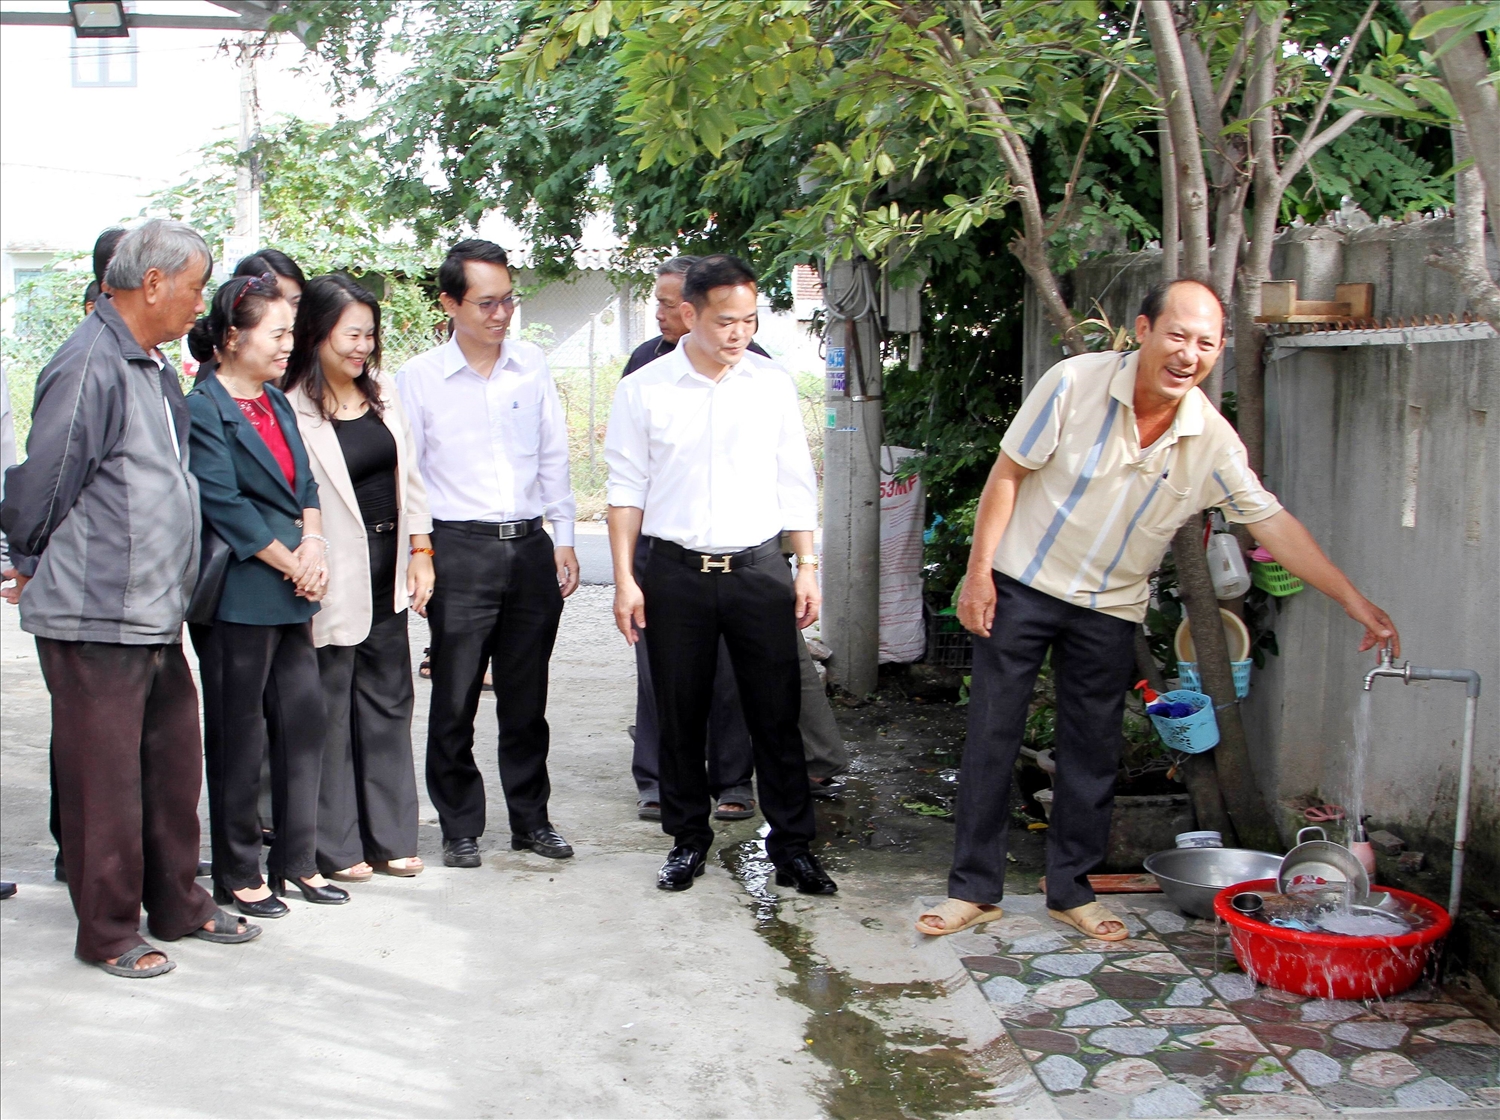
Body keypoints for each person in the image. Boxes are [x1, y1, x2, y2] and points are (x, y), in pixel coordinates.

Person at [917, 279, 1401, 939]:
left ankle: (1071, 892)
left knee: (1092, 752)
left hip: (1110, 610)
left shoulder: (1212, 440)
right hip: (1022, 586)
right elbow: (1007, 475)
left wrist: (1354, 600)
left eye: (1206, 343)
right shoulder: (1073, 384)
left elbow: (1273, 524)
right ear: (1142, 329)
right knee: (992, 740)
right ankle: (974, 890)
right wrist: (977, 576)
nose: (1189, 353)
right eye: (1177, 335)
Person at [1, 219, 259, 976]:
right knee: (103, 784)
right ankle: (109, 931)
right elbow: (41, 483)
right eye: (194, 286)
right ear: (152, 284)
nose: (198, 302)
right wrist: (32, 559)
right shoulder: (89, 363)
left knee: (172, 765)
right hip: (95, 613)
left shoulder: (144, 363)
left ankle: (178, 903)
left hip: (149, 610)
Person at [605, 253, 836, 895]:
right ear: (689, 314)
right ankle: (687, 839)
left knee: (775, 713)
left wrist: (807, 565)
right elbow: (625, 490)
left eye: (750, 320)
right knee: (679, 713)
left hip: (759, 569)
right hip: (674, 572)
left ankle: (793, 846)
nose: (739, 332)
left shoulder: (772, 384)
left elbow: (796, 480)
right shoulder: (643, 389)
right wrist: (625, 579)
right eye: (726, 320)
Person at [397, 239, 580, 868]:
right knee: (454, 698)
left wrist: (564, 538)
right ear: (450, 304)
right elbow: (409, 474)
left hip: (527, 545)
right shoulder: (419, 379)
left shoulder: (531, 366)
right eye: (486, 303)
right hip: (459, 549)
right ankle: (460, 825)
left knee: (528, 700)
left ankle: (531, 820)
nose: (501, 314)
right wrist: (420, 551)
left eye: (508, 300)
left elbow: (553, 454)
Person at [186, 272, 347, 918]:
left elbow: (305, 484)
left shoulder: (277, 400)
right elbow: (224, 504)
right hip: (241, 595)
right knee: (239, 736)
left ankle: (298, 862)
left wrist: (315, 548)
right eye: (277, 333)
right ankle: (237, 869)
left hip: (293, 588)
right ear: (233, 336)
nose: (289, 344)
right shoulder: (203, 406)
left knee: (303, 723)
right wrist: (292, 562)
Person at [284, 274, 433, 881]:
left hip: (387, 571)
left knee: (388, 701)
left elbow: (412, 478)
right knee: (330, 706)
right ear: (316, 333)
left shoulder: (384, 393)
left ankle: (393, 835)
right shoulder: (288, 403)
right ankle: (337, 845)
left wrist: (421, 549)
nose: (362, 347)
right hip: (329, 578)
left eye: (370, 335)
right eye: (351, 335)